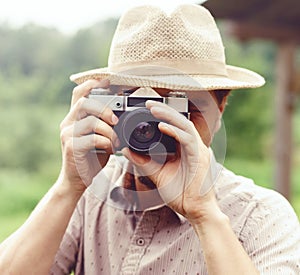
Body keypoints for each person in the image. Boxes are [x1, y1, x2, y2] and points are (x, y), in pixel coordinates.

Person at [0, 4, 299, 275]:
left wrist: (205, 215)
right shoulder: (90, 197)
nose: (156, 128)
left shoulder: (261, 217)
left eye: (182, 110)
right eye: (139, 107)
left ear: (219, 110)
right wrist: (68, 186)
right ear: (108, 103)